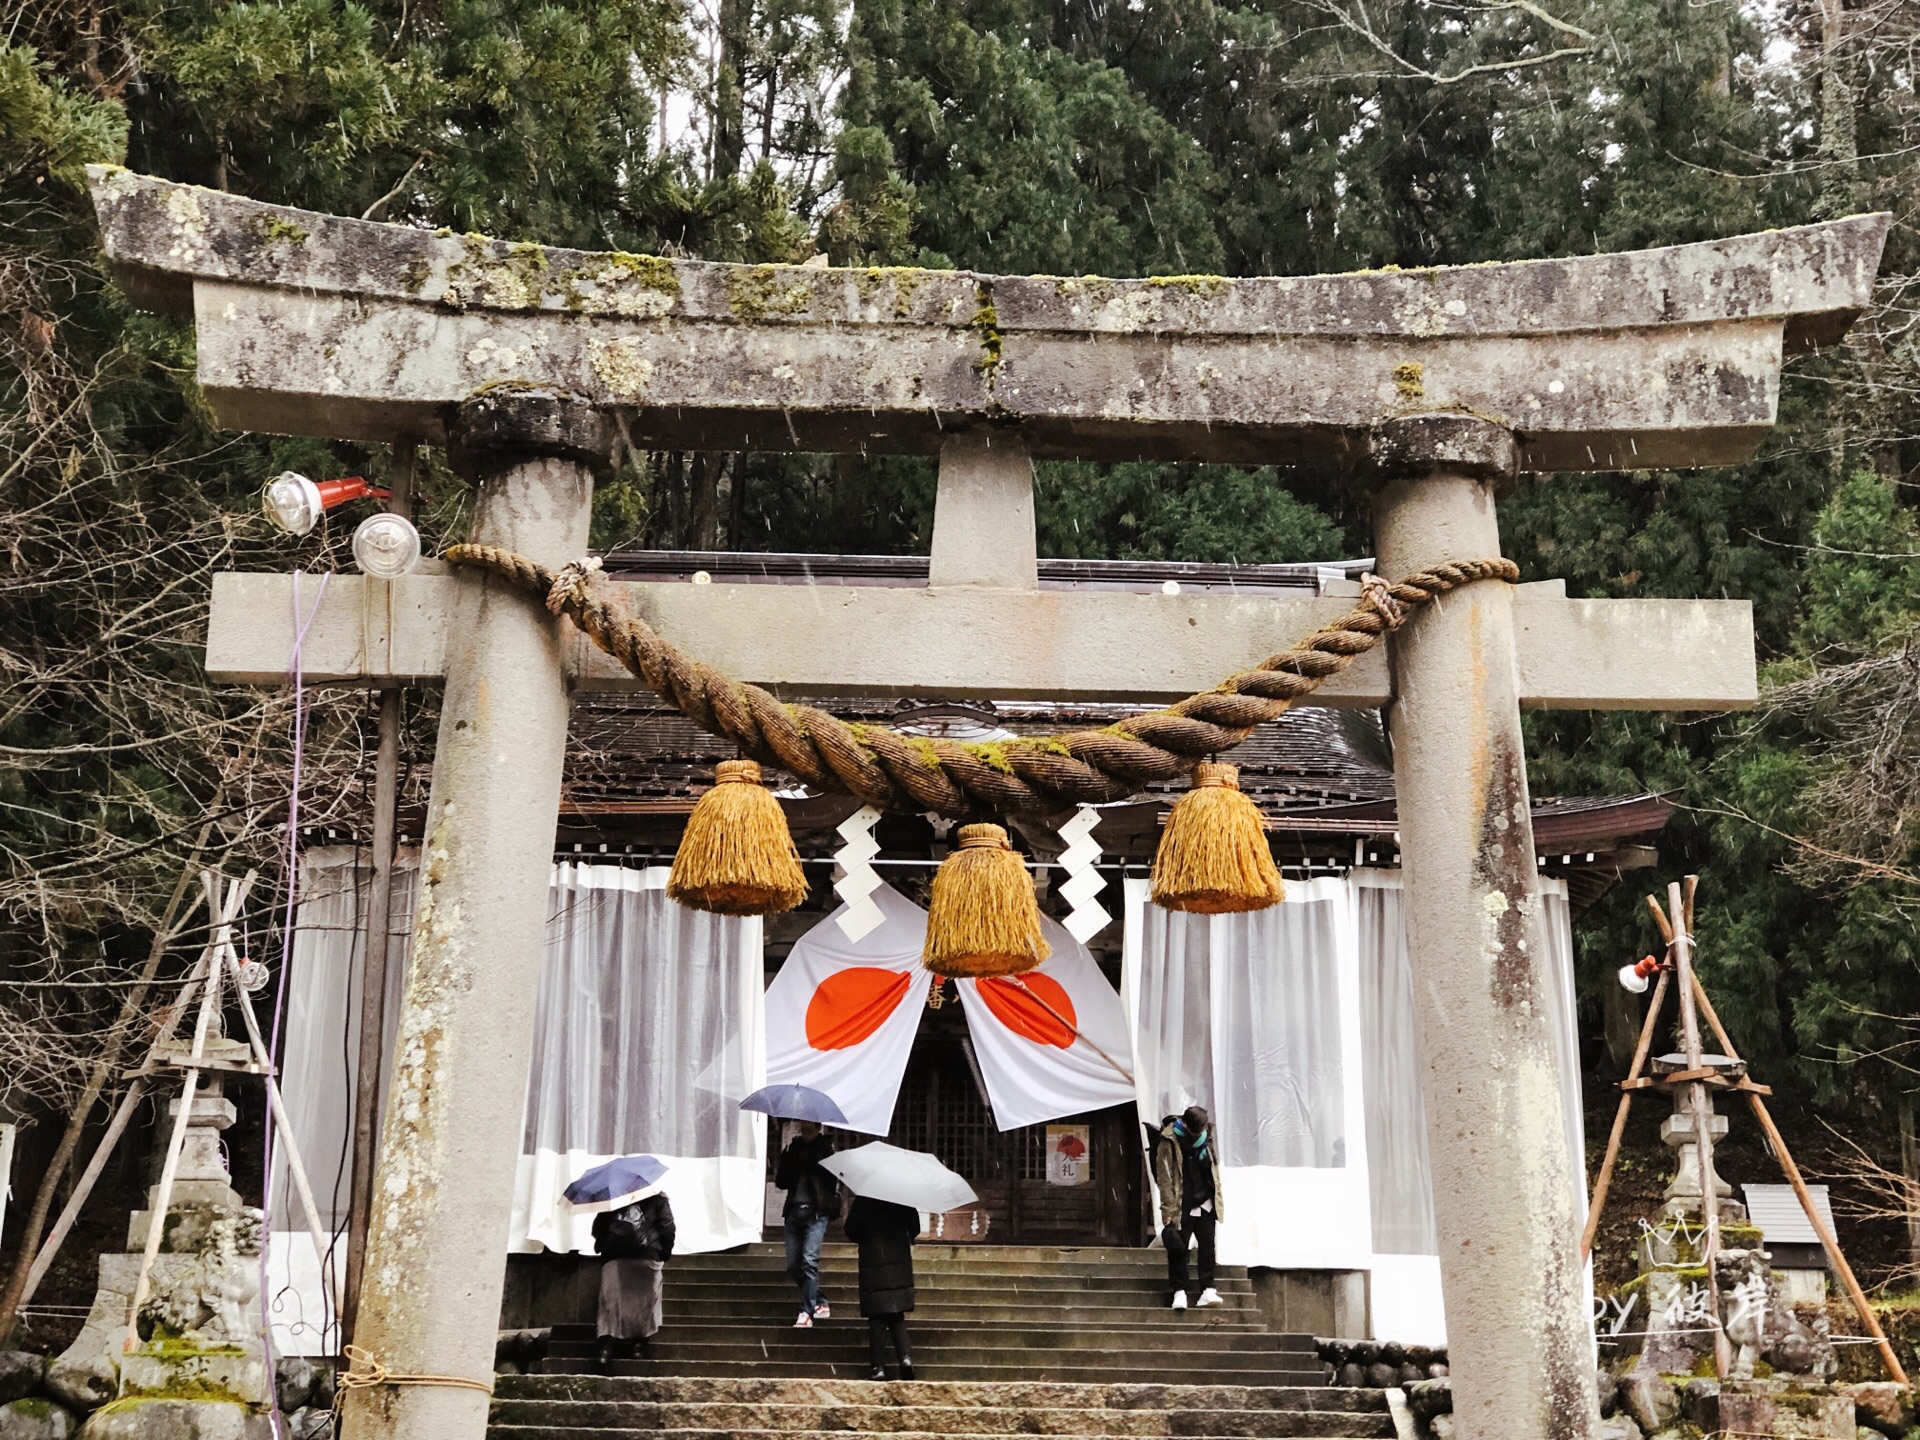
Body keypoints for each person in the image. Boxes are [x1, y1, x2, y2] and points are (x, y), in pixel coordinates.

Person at [590, 1187, 675, 1371]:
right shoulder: (658, 1199)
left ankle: (605, 1349)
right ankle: (638, 1345)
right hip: (647, 1257)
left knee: (610, 1304)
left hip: (615, 1258)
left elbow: (597, 1230)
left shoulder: (613, 1199)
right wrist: (663, 1253)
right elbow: (667, 1227)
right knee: (647, 1302)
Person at [1155, 1105, 1223, 1310]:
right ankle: (1179, 1291)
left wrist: (1217, 1197)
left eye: (1201, 1130)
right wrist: (1167, 1210)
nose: (1199, 1134)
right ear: (1184, 1124)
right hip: (1181, 1202)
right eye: (1196, 1131)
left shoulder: (1208, 1137)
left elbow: (1214, 1169)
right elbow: (1164, 1178)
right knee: (1178, 1249)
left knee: (1208, 1246)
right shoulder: (1168, 1140)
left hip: (1206, 1200)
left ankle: (1208, 1288)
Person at [844, 1195, 920, 1380]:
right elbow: (915, 1228)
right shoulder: (902, 1197)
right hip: (898, 1257)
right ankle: (905, 1358)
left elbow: (851, 1229)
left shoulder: (865, 1198)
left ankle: (878, 1367)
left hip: (873, 1257)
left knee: (877, 1316)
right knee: (896, 1314)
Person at [776, 1119, 841, 1327]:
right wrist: (787, 1157)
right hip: (794, 1211)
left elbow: (831, 1181)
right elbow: (781, 1181)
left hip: (816, 1212)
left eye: (809, 1130)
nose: (804, 1133)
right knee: (794, 1265)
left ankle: (806, 1311)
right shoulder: (794, 1148)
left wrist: (815, 1155)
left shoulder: (826, 1150)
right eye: (802, 1130)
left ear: (818, 1128)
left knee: (809, 1261)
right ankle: (819, 1299)